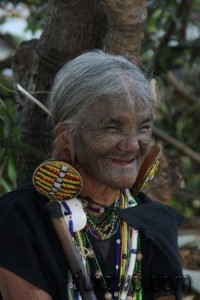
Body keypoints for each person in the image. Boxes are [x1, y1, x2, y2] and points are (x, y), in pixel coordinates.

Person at [0, 50, 183, 300]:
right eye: (112, 127)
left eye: (143, 128)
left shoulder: (156, 224)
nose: (132, 145)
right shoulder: (17, 219)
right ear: (67, 137)